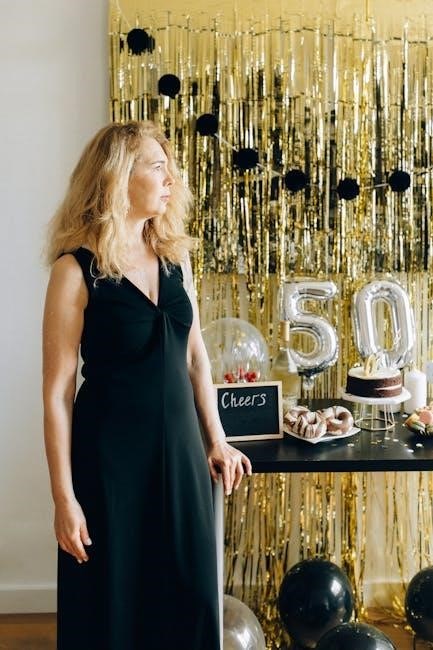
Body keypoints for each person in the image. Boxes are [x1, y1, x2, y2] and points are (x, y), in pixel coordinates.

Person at [42, 120, 252, 650]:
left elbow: (196, 358)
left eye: (169, 168)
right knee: (113, 605)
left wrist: (217, 440)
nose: (170, 180)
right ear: (117, 177)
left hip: (180, 459)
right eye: (158, 167)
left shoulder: (176, 259)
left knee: (187, 598)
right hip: (108, 466)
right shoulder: (76, 270)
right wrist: (64, 499)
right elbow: (58, 394)